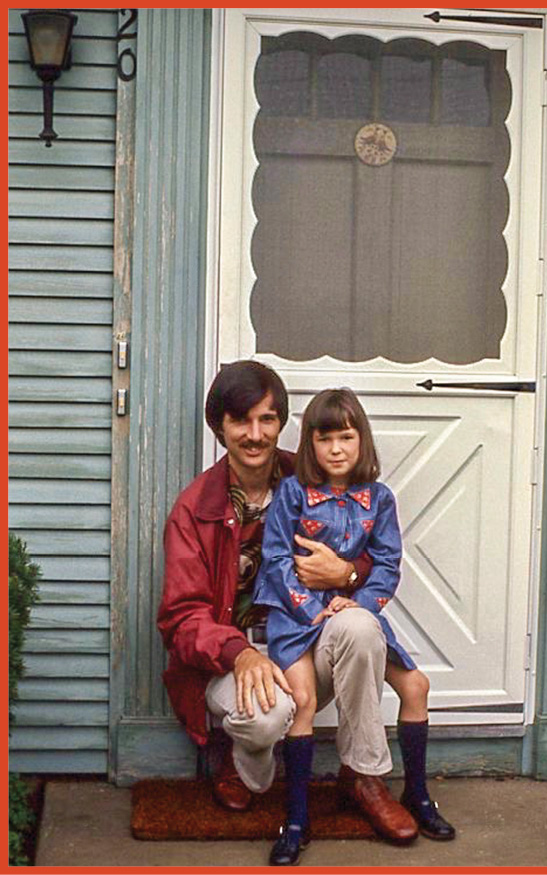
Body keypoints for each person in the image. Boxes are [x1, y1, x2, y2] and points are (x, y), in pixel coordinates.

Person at [157, 361, 409, 843]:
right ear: (220, 427)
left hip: (306, 636)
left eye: (267, 419)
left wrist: (350, 573)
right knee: (267, 716)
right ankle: (240, 760)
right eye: (240, 421)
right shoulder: (195, 509)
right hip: (233, 656)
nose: (255, 434)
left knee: (361, 628)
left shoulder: (313, 477)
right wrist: (240, 653)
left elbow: (381, 555)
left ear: (282, 423)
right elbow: (181, 617)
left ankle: (363, 776)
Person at [255, 388, 455, 865]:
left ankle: (418, 795)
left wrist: (356, 600)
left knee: (417, 685)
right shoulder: (294, 493)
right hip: (297, 621)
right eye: (325, 439)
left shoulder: (379, 500)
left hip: (353, 616)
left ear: (362, 440)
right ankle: (298, 818)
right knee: (302, 703)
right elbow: (276, 558)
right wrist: (309, 608)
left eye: (346, 437)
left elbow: (387, 566)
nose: (337, 449)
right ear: (310, 446)